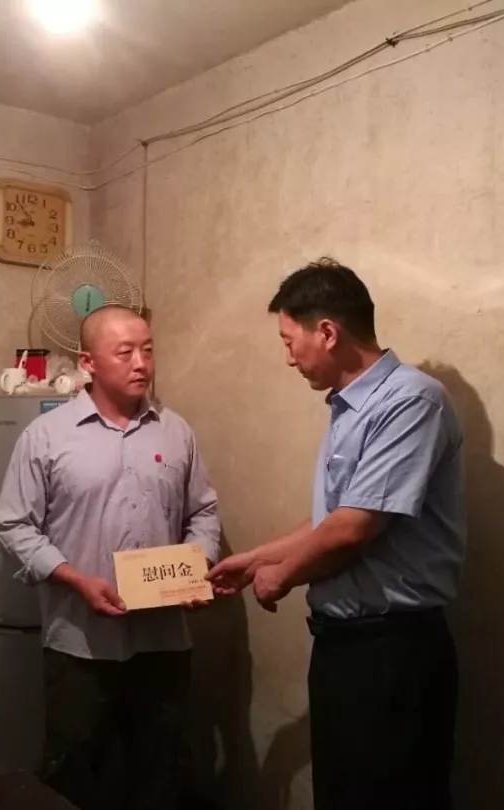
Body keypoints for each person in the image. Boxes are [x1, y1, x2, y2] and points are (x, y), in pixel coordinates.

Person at [207, 258, 466, 810]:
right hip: (346, 647)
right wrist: (255, 559)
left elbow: (353, 530)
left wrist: (281, 576)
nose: (288, 358)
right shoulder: (350, 406)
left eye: (289, 341)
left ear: (327, 332)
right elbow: (333, 518)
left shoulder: (410, 400)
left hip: (393, 651)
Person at [0, 304, 221, 810]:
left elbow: (203, 512)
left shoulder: (175, 432)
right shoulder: (47, 436)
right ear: (88, 363)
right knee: (75, 776)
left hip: (162, 643)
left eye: (148, 350)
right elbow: (13, 523)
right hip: (80, 645)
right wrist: (75, 579)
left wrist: (197, 569)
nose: (141, 363)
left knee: (159, 773)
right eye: (125, 352)